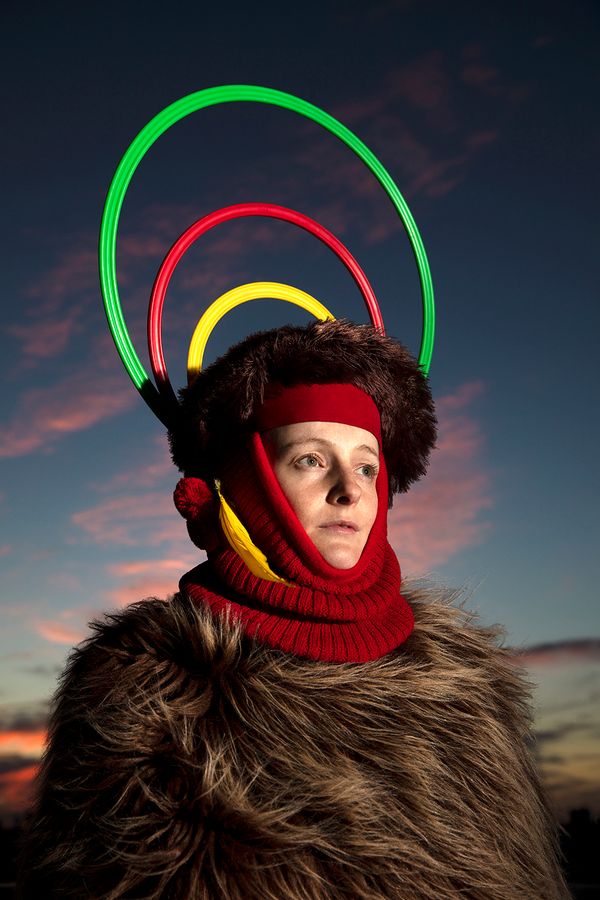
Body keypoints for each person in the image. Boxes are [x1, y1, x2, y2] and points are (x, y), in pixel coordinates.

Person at [17, 319, 569, 898]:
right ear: (247, 480)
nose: (350, 489)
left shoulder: (470, 687)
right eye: (310, 459)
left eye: (367, 466)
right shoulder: (142, 694)